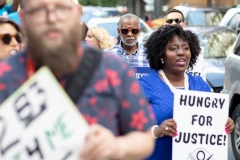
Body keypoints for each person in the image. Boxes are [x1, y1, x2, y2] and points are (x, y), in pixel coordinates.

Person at [0, 0, 156, 159]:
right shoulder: (5, 76)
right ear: (23, 18)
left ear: (76, 13)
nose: (52, 18)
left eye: (61, 8)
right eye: (39, 11)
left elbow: (145, 138)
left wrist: (117, 146)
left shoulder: (112, 69)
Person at [139, 25, 235, 160]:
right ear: (161, 54)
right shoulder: (145, 86)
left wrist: (224, 123)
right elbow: (129, 129)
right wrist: (157, 131)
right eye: (173, 48)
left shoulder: (201, 85)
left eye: (185, 48)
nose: (181, 52)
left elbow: (209, 123)